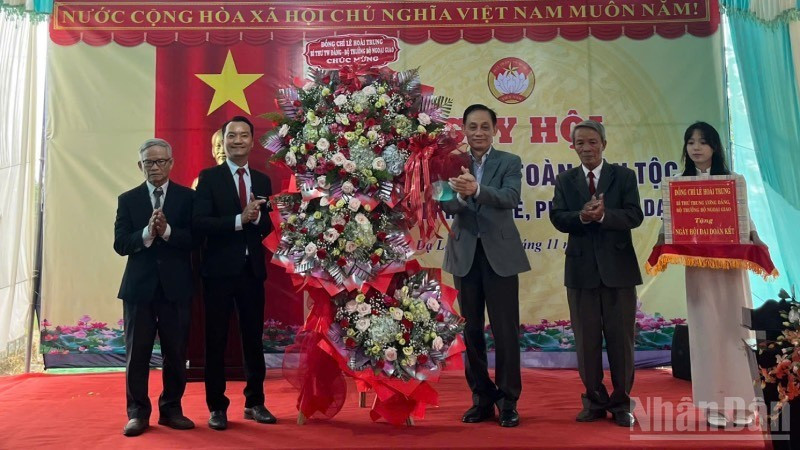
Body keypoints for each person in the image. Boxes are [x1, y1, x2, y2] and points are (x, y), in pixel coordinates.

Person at [658, 121, 764, 428]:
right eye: (690, 142)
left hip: (730, 269)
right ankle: (712, 405)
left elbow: (745, 217)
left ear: (714, 147)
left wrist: (755, 237)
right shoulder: (677, 185)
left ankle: (744, 404)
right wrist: (662, 237)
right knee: (705, 334)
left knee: (737, 332)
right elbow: (670, 224)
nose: (696, 147)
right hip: (699, 270)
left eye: (702, 142)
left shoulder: (733, 180)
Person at [441, 104, 531, 428]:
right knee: (471, 331)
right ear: (464, 129)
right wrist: (462, 197)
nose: (478, 132)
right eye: (472, 127)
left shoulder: (510, 161)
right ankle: (481, 399)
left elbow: (510, 197)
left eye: (484, 127)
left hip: (500, 256)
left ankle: (508, 402)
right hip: (465, 256)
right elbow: (444, 202)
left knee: (506, 332)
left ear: (495, 129)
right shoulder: (451, 162)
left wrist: (477, 189)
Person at [549, 120, 643, 427]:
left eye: (592, 142)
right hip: (580, 271)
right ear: (573, 147)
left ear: (604, 143)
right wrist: (582, 216)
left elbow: (634, 215)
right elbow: (558, 218)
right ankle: (593, 399)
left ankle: (621, 403)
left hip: (619, 271)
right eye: (580, 143)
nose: (587, 148)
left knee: (621, 341)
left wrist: (605, 215)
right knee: (586, 341)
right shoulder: (565, 180)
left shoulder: (624, 176)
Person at [193, 116, 275, 430]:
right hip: (218, 272)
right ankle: (217, 407)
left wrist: (257, 221)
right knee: (215, 340)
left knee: (253, 339)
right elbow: (200, 223)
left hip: (252, 271)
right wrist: (239, 219)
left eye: (243, 136)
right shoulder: (209, 178)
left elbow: (267, 226)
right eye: (231, 136)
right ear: (223, 141)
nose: (237, 140)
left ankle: (255, 402)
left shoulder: (263, 181)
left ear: (252, 142)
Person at [113, 138, 196, 436]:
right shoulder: (128, 199)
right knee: (138, 353)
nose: (155, 167)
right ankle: (137, 412)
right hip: (139, 289)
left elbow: (195, 240)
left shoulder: (188, 198)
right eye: (149, 162)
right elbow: (120, 244)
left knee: (176, 351)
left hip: (176, 288)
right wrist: (148, 232)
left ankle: (172, 409)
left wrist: (168, 231)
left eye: (161, 161)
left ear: (171, 163)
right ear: (140, 166)